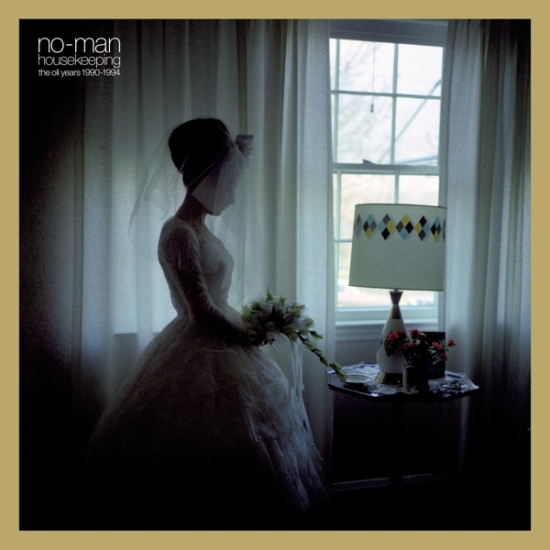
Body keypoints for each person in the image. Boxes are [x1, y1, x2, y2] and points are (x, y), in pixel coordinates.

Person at [77, 118, 330, 530]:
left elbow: (219, 301)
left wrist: (256, 320)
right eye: (227, 184)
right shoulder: (178, 233)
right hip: (199, 344)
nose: (232, 196)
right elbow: (201, 311)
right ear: (207, 178)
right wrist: (250, 334)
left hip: (226, 340)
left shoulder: (202, 229)